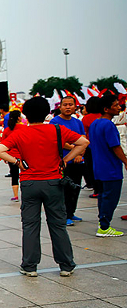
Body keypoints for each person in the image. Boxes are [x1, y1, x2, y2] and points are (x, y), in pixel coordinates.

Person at [0, 96, 89, 277]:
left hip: (29, 183)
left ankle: (30, 266)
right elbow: (84, 143)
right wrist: (66, 160)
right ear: (47, 112)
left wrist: (17, 162)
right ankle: (66, 265)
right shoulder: (57, 129)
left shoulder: (20, 133)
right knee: (58, 225)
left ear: (26, 115)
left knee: (30, 225)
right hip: (53, 182)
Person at [88, 93, 127, 237]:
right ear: (106, 109)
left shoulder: (95, 124)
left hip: (99, 167)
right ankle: (104, 226)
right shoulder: (108, 125)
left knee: (103, 196)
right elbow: (115, 146)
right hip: (111, 168)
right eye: (115, 105)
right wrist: (125, 161)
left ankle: (102, 223)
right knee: (111, 197)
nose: (119, 107)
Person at [49, 96, 87, 226]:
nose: (68, 107)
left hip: (78, 161)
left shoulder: (78, 122)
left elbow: (84, 139)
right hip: (63, 162)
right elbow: (57, 141)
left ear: (75, 106)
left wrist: (80, 153)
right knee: (65, 190)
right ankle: (64, 215)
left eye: (70, 104)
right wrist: (75, 149)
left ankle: (71, 212)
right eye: (65, 104)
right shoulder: (54, 121)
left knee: (75, 188)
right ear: (60, 107)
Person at [1, 111, 23, 201]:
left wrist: (4, 157)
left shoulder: (7, 130)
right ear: (18, 118)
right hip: (23, 155)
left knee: (14, 175)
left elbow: (3, 144)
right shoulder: (24, 128)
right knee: (25, 174)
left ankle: (16, 195)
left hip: (11, 156)